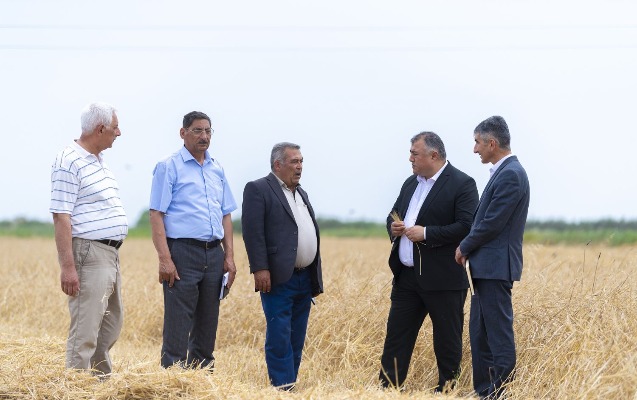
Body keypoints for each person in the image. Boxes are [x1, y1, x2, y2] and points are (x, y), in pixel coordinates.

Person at [379, 132, 479, 392]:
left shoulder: (462, 184)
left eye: (415, 153)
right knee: (396, 339)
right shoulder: (410, 183)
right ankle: (388, 390)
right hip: (406, 278)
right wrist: (393, 227)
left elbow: (467, 226)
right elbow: (392, 215)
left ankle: (447, 391)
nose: (410, 158)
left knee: (447, 341)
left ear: (433, 155)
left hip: (444, 279)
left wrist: (427, 233)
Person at [149, 111, 237, 369]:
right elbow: (156, 214)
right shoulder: (169, 166)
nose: (204, 136)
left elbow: (226, 214)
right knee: (178, 320)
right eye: (197, 130)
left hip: (214, 253)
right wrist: (165, 259)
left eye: (208, 131)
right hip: (183, 252)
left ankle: (202, 380)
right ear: (183, 133)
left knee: (208, 321)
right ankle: (172, 380)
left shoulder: (217, 168)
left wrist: (229, 257)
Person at [455, 116, 530, 399]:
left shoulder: (511, 174)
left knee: (497, 336)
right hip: (485, 269)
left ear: (492, 143)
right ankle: (486, 392)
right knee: (480, 335)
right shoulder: (504, 171)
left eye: (477, 142)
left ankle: (501, 393)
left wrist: (464, 246)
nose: (474, 149)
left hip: (495, 268)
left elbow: (492, 222)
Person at [50, 102, 127, 376]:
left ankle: (99, 386)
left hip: (109, 255)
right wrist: (68, 267)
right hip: (89, 254)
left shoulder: (98, 161)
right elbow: (61, 216)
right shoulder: (69, 161)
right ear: (100, 128)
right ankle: (76, 388)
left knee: (110, 325)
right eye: (116, 127)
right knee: (86, 329)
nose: (119, 133)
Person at [241, 142, 323, 390]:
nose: (299, 167)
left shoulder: (301, 193)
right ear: (278, 165)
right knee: (279, 335)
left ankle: (290, 383)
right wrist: (260, 268)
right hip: (278, 277)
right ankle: (282, 388)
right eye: (294, 162)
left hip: (304, 277)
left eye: (301, 161)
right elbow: (252, 232)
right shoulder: (258, 189)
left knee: (297, 336)